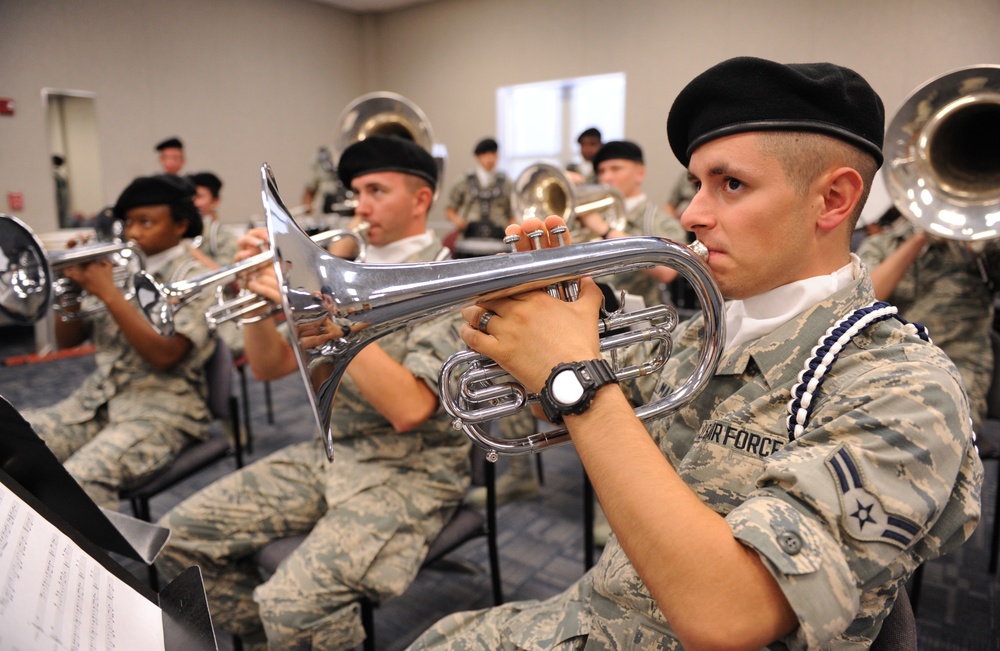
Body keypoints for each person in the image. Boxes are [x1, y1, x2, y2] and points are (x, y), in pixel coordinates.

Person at [407, 56, 983, 650]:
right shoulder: (704, 330)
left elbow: (728, 615)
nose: (691, 215)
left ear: (833, 200)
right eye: (696, 185)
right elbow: (585, 421)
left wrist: (570, 376)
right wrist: (525, 345)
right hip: (591, 613)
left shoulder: (905, 390)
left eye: (730, 184)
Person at [156, 135, 469, 650]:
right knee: (177, 541)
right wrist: (261, 301)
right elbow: (268, 366)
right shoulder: (339, 270)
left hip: (413, 469)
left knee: (293, 605)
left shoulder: (450, 283)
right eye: (355, 192)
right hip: (333, 452)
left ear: (421, 200)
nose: (360, 206)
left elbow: (410, 409)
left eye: (376, 190)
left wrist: (328, 317)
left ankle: (290, 632)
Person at [21, 175, 216, 509]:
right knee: (14, 441)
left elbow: (166, 355)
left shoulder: (194, 277)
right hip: (96, 402)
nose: (134, 232)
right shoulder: (118, 268)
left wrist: (108, 292)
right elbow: (70, 340)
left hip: (162, 410)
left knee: (80, 481)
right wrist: (73, 288)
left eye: (147, 222)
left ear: (180, 225)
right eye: (129, 223)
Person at [857, 209, 1000, 431]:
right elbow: (865, 298)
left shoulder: (983, 247)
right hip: (887, 362)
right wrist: (922, 237)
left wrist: (980, 233)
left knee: (937, 432)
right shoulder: (882, 244)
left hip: (956, 366)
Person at [576, 140, 687, 309]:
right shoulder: (592, 216)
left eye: (615, 168)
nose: (606, 177)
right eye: (601, 171)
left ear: (640, 173)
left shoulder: (659, 221)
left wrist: (605, 231)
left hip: (638, 323)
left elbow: (668, 270)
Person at [446, 138, 514, 241]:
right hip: (470, 233)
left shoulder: (506, 183)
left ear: (497, 156)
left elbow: (511, 212)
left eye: (492, 154)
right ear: (478, 157)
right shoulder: (464, 181)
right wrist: (457, 221)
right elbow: (450, 208)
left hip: (499, 235)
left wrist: (512, 229)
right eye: (484, 155)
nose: (488, 159)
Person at [186, 171, 240, 269]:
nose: (194, 203)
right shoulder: (179, 231)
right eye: (190, 197)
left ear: (215, 201)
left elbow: (223, 275)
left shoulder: (224, 238)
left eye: (199, 197)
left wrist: (189, 249)